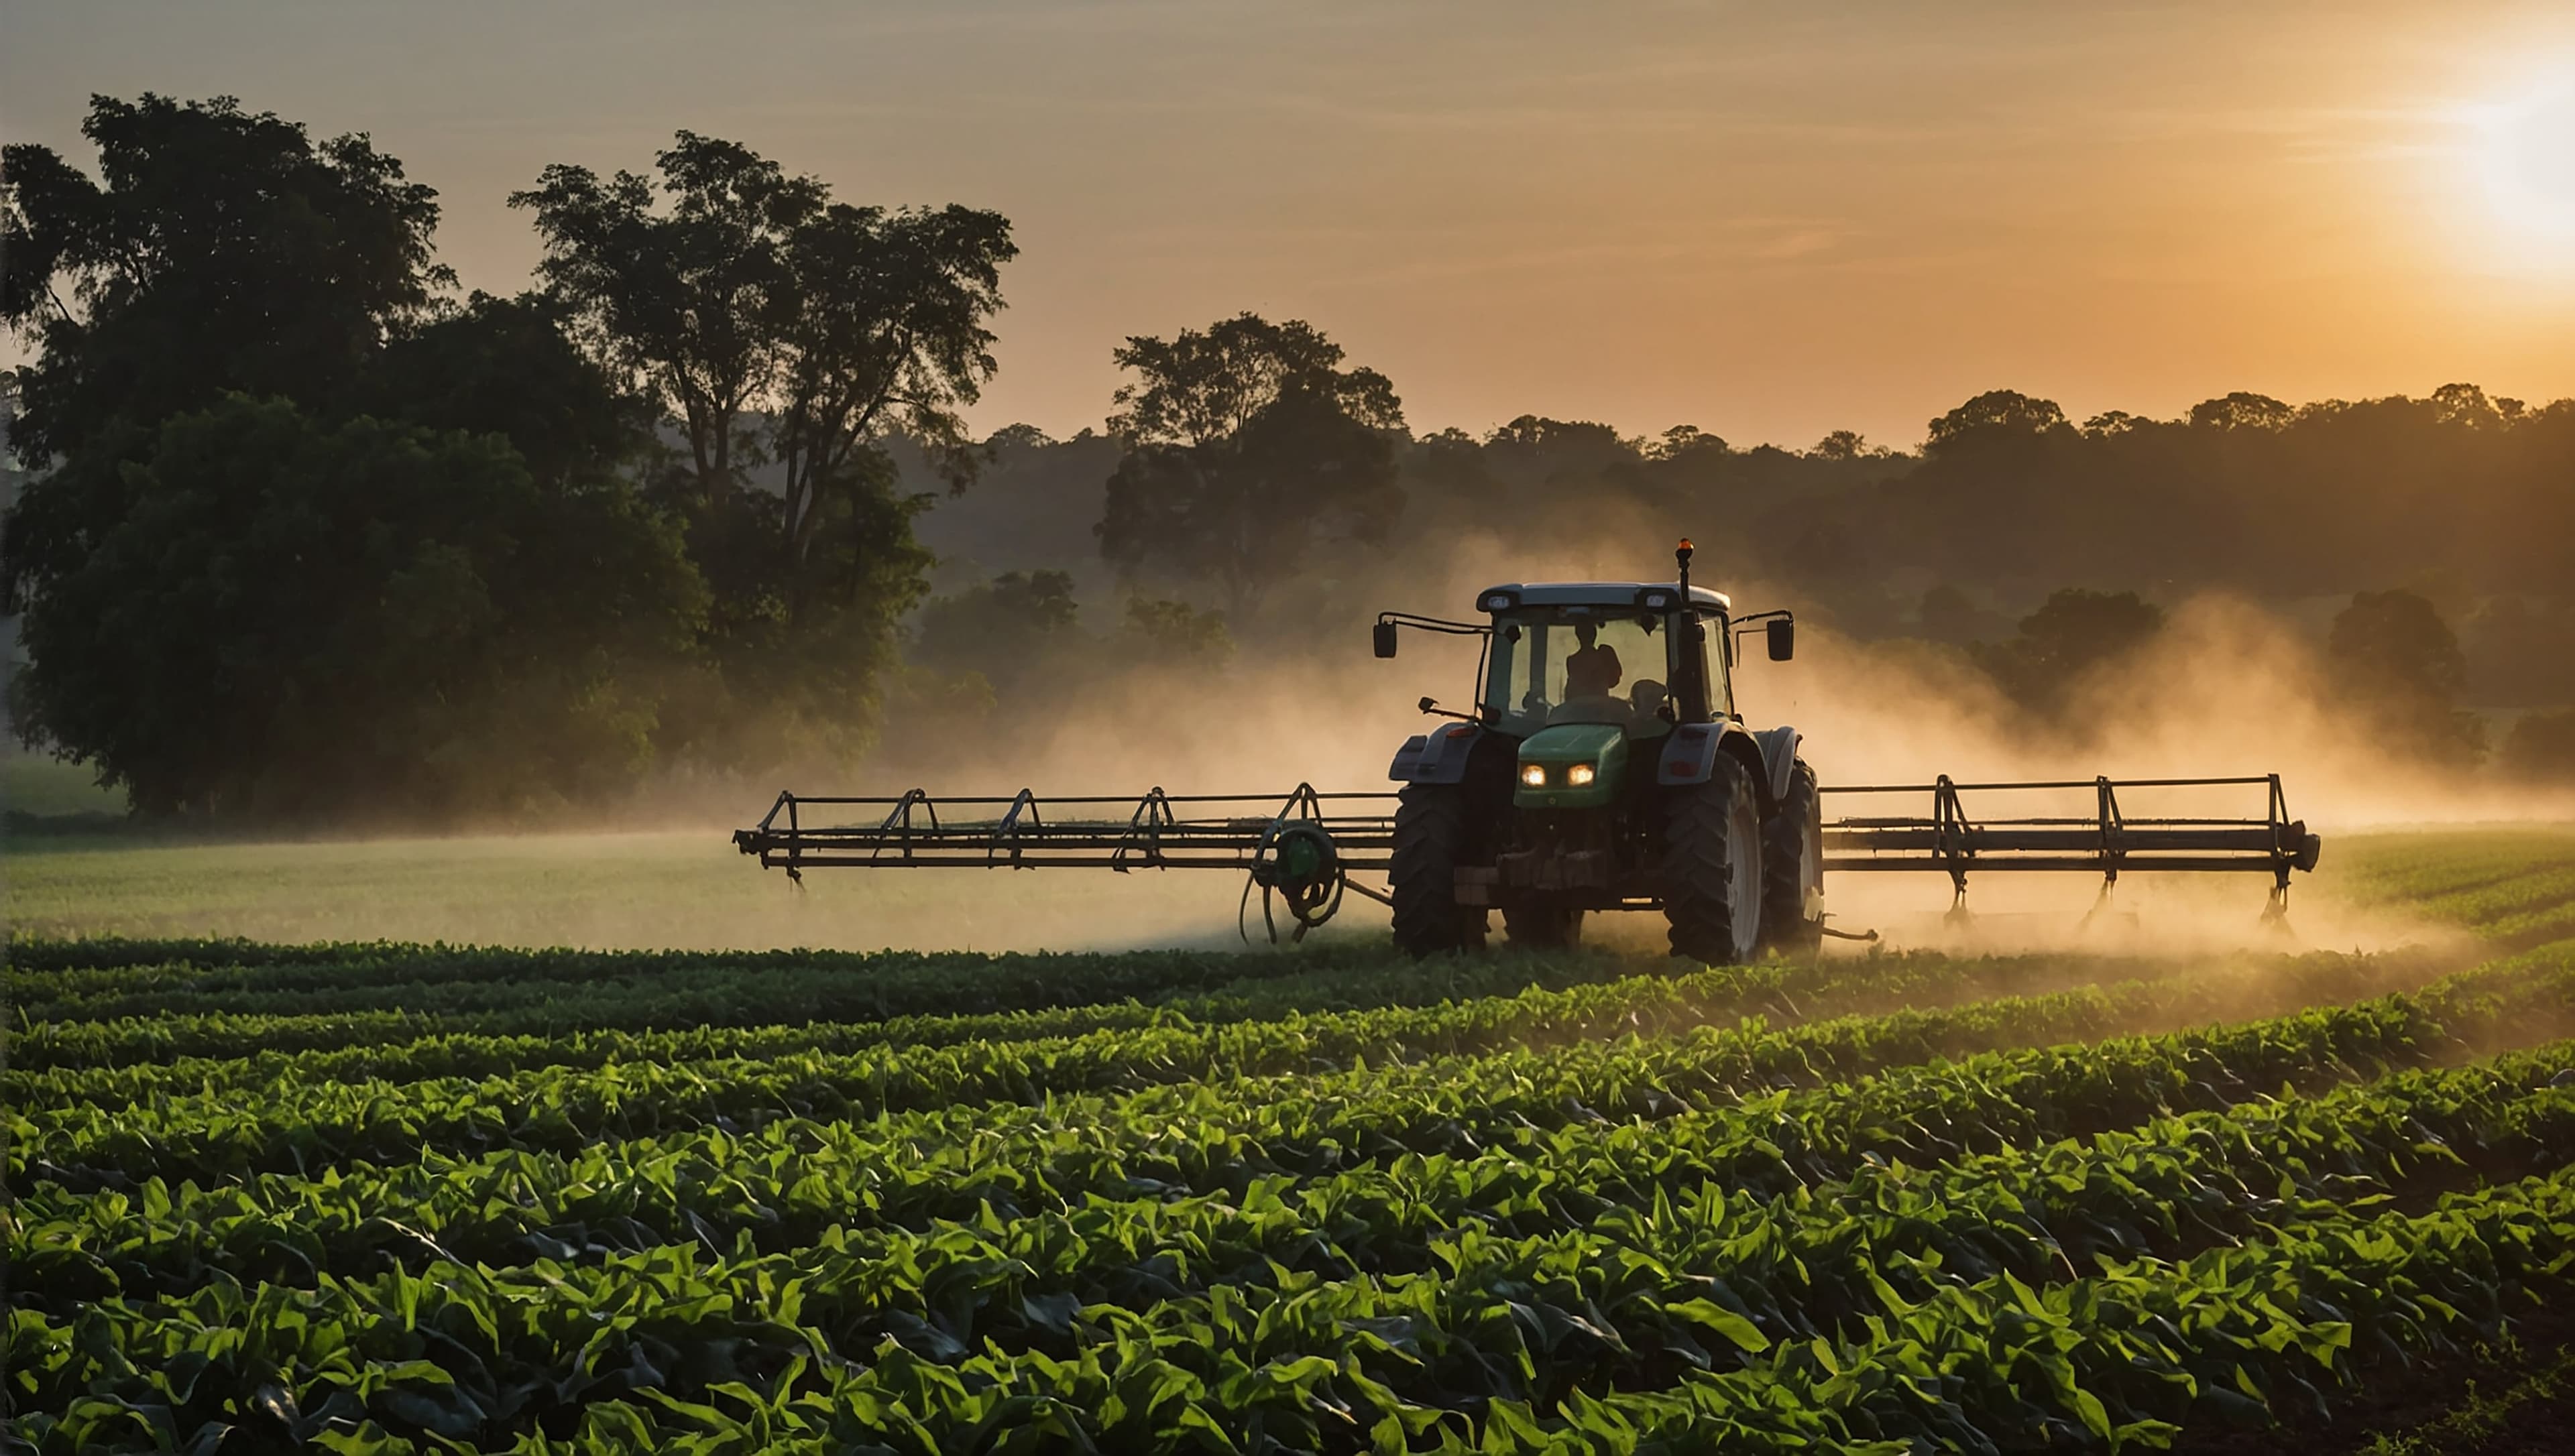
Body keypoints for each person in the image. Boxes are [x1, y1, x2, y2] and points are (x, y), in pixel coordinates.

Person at [1565, 624, 1623, 701]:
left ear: (1577, 634)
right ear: (1595, 634)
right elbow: (1614, 681)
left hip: (1584, 707)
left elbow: (1614, 680)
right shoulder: (1604, 654)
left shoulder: (1572, 661)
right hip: (1595, 707)